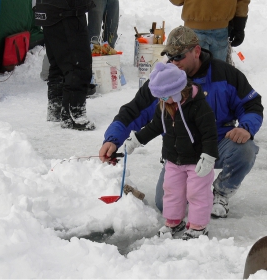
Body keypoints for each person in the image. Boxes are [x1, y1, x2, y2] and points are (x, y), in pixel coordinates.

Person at [99, 26, 264, 219]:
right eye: (170, 56)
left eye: (179, 57)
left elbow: (252, 105)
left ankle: (220, 193)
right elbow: (133, 111)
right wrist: (113, 139)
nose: (173, 62)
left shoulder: (225, 74)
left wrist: (246, 128)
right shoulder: (163, 80)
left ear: (196, 51)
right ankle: (189, 187)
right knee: (165, 205)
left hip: (216, 145)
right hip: (180, 152)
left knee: (245, 149)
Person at [125, 62, 218, 240]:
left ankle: (198, 226)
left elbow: (210, 134)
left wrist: (208, 157)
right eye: (160, 97)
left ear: (178, 90)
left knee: (197, 193)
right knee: (172, 191)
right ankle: (174, 221)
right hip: (173, 159)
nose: (162, 100)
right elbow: (154, 127)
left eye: (165, 95)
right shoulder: (164, 106)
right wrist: (136, 140)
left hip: (197, 160)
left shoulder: (199, 106)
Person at [34, 0, 96, 131]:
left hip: (49, 11)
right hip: (66, 12)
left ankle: (55, 108)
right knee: (78, 64)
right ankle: (73, 115)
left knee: (58, 62)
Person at [169, 0, 250, 61]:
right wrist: (239, 25)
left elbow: (177, 1)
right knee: (218, 73)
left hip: (194, 28)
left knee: (196, 73)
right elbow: (242, 1)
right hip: (221, 27)